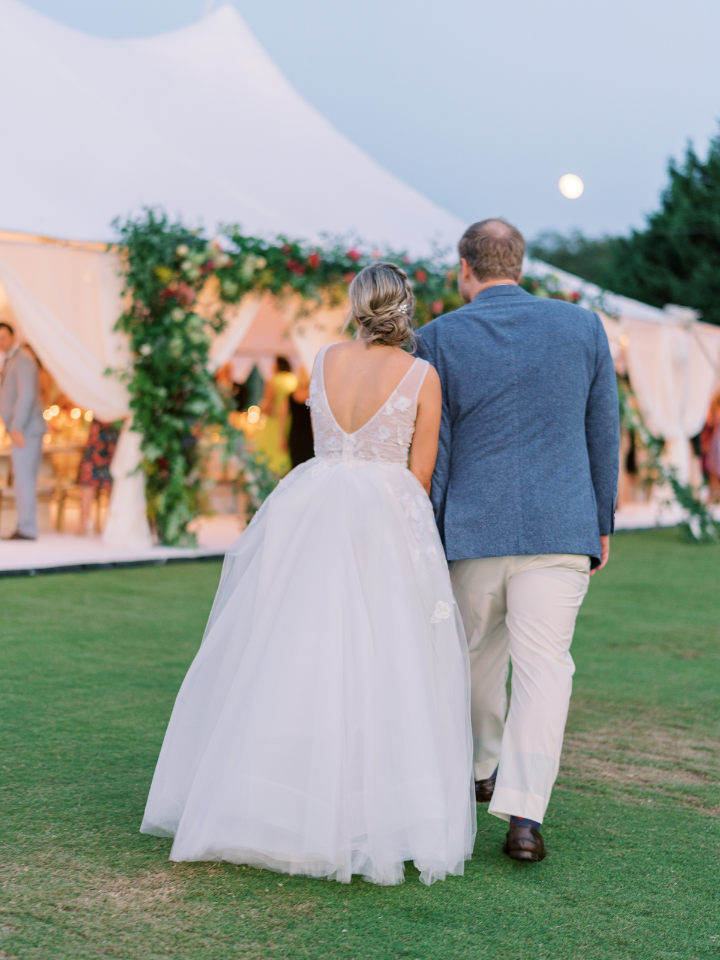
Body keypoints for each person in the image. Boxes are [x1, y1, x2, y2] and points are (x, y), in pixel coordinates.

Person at [141, 262, 475, 886]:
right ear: (405, 308)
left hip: (311, 505)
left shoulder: (322, 360)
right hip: (384, 513)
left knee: (293, 649)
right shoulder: (421, 375)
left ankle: (274, 802)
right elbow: (420, 477)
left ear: (356, 305)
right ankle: (369, 810)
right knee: (382, 659)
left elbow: (322, 437)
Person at [416, 219, 619, 862]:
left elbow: (437, 451)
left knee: (472, 660)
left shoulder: (438, 338)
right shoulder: (583, 327)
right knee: (545, 673)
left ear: (464, 268)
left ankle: (482, 769)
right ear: (521, 264)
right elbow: (603, 431)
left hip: (472, 530)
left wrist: (431, 528)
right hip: (561, 528)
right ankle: (524, 816)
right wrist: (602, 521)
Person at [0, 322, 46, 541]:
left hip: (26, 430)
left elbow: (27, 394)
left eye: (3, 337)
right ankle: (24, 525)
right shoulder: (12, 360)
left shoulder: (24, 359)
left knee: (24, 479)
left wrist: (17, 426)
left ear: (12, 336)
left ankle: (27, 529)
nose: (1, 342)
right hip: (21, 429)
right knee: (23, 479)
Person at [77, 418, 121, 534]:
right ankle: (84, 521)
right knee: (89, 477)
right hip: (99, 432)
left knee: (116, 479)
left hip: (116, 430)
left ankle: (114, 522)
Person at [255, 357, 297, 474]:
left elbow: (269, 406)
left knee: (270, 454)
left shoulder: (273, 381)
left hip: (273, 423)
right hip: (289, 421)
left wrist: (262, 408)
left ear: (277, 366)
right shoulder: (294, 380)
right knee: (284, 452)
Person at [287, 365, 314, 468]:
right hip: (309, 434)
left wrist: (282, 437)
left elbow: (283, 417)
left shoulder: (291, 395)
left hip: (295, 434)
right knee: (309, 465)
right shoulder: (313, 394)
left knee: (296, 465)